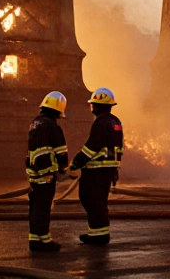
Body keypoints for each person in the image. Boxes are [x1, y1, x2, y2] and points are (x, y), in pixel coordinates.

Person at [68, 87, 123, 246]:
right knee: (99, 202)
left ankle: (98, 236)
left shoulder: (101, 122)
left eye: (93, 104)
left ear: (98, 106)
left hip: (96, 171)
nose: (92, 107)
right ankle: (98, 234)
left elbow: (92, 147)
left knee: (90, 200)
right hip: (107, 170)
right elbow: (118, 148)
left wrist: (77, 162)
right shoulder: (116, 122)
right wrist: (115, 169)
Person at [26, 91, 69, 252]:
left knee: (35, 206)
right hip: (47, 174)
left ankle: (34, 239)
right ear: (58, 110)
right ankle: (45, 240)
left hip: (34, 172)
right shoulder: (53, 127)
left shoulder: (34, 124)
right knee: (44, 207)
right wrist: (64, 170)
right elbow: (61, 152)